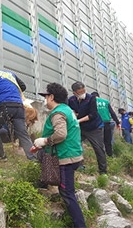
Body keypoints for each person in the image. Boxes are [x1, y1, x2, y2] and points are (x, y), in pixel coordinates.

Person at [34, 83, 86, 228]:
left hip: (66, 158)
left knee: (67, 194)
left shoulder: (58, 113)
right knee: (66, 191)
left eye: (45, 97)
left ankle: (80, 225)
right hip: (73, 155)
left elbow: (61, 134)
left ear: (51, 97)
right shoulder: (67, 110)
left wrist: (45, 140)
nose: (45, 100)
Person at [0, 60, 35, 161]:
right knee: (22, 133)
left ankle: (0, 155)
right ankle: (33, 158)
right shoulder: (10, 74)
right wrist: (12, 92)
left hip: (6, 106)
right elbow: (23, 86)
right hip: (19, 107)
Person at [67, 81, 107, 175]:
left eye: (83, 91)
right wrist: (73, 114)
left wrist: (78, 120)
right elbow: (70, 110)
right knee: (75, 145)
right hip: (80, 128)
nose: (82, 93)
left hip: (94, 128)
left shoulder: (91, 98)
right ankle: (79, 165)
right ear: (74, 93)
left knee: (98, 148)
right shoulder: (71, 100)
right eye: (80, 92)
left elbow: (93, 114)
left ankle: (103, 171)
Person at [91, 92, 120, 157]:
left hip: (96, 123)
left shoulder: (91, 102)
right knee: (107, 140)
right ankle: (109, 155)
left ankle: (101, 156)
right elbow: (112, 113)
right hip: (106, 122)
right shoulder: (105, 101)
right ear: (98, 96)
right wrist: (117, 122)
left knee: (98, 141)